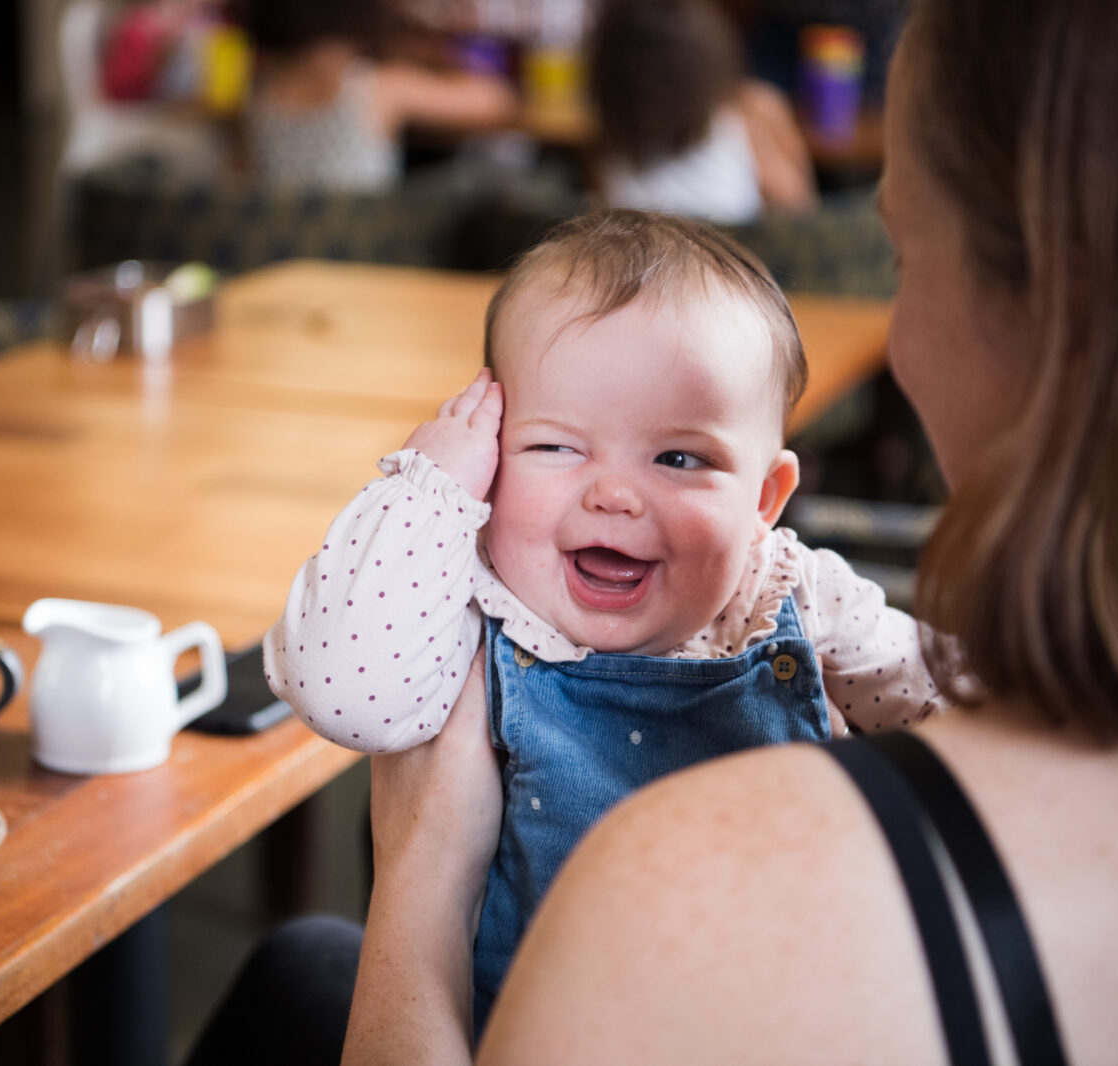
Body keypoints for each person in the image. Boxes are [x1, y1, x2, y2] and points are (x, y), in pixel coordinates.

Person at [337, 1, 1118, 1062]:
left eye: (896, 252)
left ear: (1050, 315)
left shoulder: (683, 888)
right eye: (559, 446)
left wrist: (420, 873)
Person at [264, 208, 941, 1032]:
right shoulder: (473, 602)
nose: (613, 495)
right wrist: (429, 488)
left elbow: (968, 709)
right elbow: (342, 693)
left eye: (680, 459)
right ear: (493, 446)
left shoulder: (784, 590)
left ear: (765, 501)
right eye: (556, 447)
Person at [242, 0, 518, 191]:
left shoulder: (262, 90)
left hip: (285, 252)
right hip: (366, 249)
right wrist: (443, 56)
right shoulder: (374, 86)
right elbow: (495, 99)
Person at [587, 0, 819, 223]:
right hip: (736, 255)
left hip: (648, 260)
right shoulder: (749, 111)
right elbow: (799, 214)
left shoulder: (608, 144)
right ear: (713, 52)